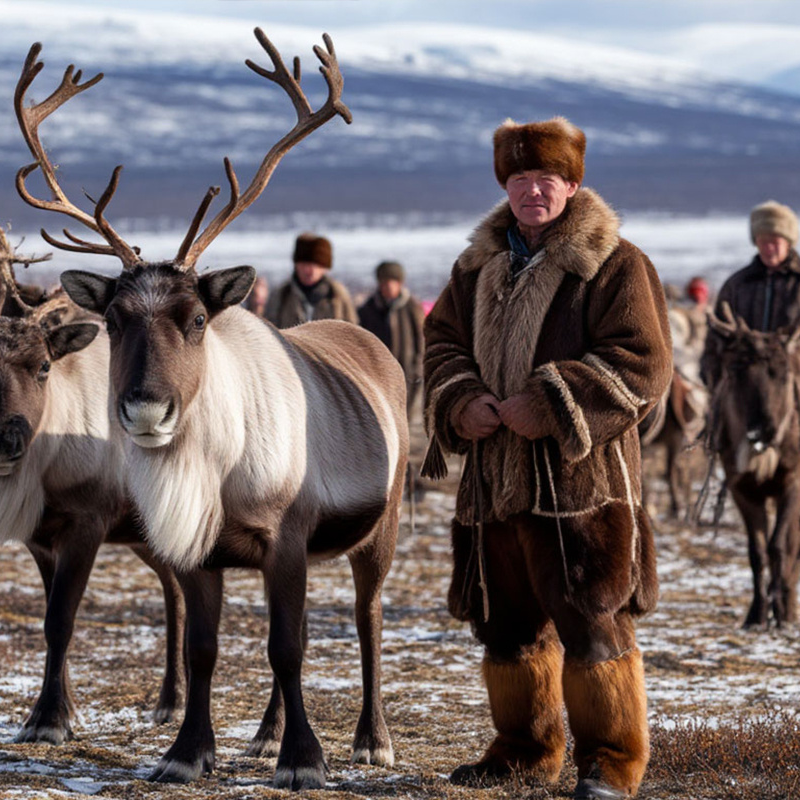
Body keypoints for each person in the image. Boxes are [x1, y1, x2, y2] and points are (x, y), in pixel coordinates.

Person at [422, 117, 671, 799]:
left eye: (547, 180)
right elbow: (440, 343)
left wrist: (552, 402)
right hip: (495, 483)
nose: (534, 191)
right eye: (521, 179)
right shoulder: (475, 267)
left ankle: (613, 763)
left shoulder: (616, 263)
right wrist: (459, 399)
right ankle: (525, 750)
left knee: (592, 620)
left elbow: (643, 364)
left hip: (579, 486)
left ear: (572, 184)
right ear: (505, 183)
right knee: (507, 628)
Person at [700, 201, 800, 435]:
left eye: (775, 242)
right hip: (745, 398)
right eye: (762, 241)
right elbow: (715, 342)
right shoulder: (737, 286)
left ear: (789, 241)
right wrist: (714, 378)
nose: (768, 248)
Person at [357, 260, 425, 420]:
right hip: (376, 374)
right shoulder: (367, 309)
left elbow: (421, 340)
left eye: (393, 282)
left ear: (400, 283)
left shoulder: (412, 307)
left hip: (406, 374)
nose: (389, 286)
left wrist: (418, 367)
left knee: (403, 419)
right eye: (385, 282)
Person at [264, 233, 358, 328]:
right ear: (296, 265)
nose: (310, 270)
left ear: (325, 268)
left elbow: (352, 333)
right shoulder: (281, 296)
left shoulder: (338, 296)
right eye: (305, 264)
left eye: (316, 265)